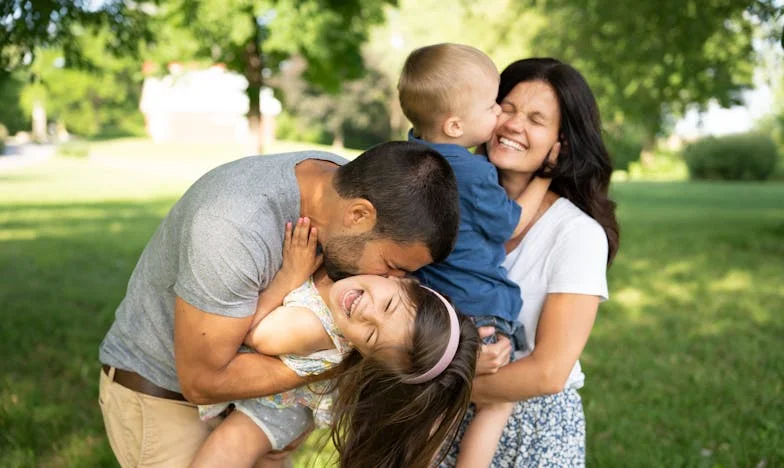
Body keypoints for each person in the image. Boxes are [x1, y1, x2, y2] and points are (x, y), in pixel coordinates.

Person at [97, 141, 461, 468]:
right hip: (165, 399)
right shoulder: (232, 227)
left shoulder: (340, 192)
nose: (389, 281)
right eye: (392, 266)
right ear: (359, 216)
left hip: (241, 408)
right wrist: (330, 366)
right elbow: (202, 383)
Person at [439, 57, 620, 467]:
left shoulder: (577, 235)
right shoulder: (444, 202)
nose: (513, 125)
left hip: (529, 427)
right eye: (506, 107)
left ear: (563, 143)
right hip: (434, 418)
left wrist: (434, 380)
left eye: (536, 119)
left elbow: (547, 373)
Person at [191, 217, 479, 468]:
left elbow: (256, 334)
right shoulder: (358, 268)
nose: (368, 313)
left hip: (279, 410)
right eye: (389, 305)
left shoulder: (312, 327)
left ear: (364, 353)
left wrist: (289, 277)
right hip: (289, 399)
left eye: (371, 335)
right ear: (404, 280)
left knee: (230, 443)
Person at [398, 43, 558, 467]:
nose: (499, 117)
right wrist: (545, 178)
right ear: (454, 125)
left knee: (428, 408)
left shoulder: (408, 155)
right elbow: (508, 223)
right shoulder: (472, 172)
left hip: (430, 305)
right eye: (493, 106)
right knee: (496, 404)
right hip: (480, 305)